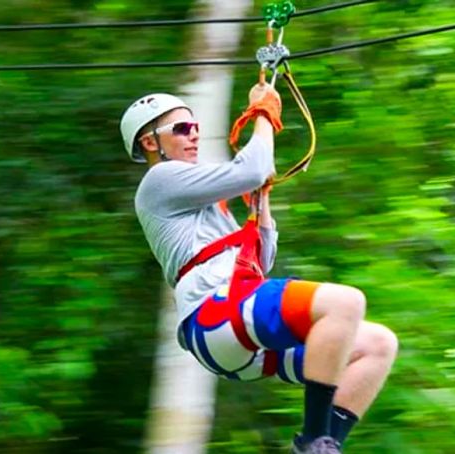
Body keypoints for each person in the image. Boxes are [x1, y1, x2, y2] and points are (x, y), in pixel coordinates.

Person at [120, 82, 398, 453]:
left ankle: (328, 444)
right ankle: (313, 440)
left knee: (377, 345)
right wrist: (264, 113)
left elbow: (261, 261)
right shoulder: (159, 181)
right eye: (183, 129)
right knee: (344, 303)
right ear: (151, 143)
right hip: (214, 314)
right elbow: (251, 168)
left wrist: (260, 205)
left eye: (196, 128)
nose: (194, 136)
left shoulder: (197, 202)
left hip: (233, 329)